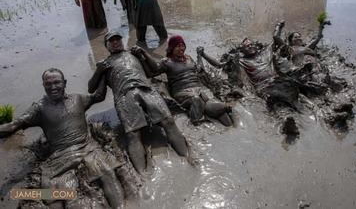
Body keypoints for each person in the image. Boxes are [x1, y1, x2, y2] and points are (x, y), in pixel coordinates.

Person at [0, 68, 126, 209]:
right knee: (67, 195)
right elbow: (14, 125)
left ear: (64, 83)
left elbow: (98, 96)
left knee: (108, 173)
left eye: (57, 82)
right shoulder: (39, 108)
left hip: (88, 147)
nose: (53, 87)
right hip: (60, 157)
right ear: (43, 86)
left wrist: (102, 73)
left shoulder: (78, 99)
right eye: (48, 84)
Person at [88, 30, 189, 174]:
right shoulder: (105, 65)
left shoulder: (133, 54)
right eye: (112, 41)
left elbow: (152, 71)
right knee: (133, 134)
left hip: (146, 89)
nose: (116, 42)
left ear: (122, 41)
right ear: (107, 46)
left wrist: (143, 53)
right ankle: (142, 174)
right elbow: (92, 89)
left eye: (118, 39)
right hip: (124, 95)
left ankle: (186, 157)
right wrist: (98, 71)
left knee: (168, 121)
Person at [131, 35, 234, 127]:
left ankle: (226, 118)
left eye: (183, 45)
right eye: (178, 46)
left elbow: (199, 69)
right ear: (172, 48)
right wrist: (143, 54)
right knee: (196, 99)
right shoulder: (166, 62)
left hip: (200, 89)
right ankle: (198, 122)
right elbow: (152, 72)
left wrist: (200, 55)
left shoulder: (189, 58)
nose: (181, 49)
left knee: (216, 109)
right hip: (182, 92)